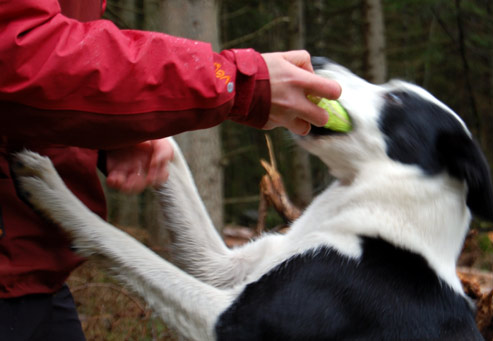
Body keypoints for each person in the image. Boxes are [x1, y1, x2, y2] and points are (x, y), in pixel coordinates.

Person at [0, 0, 342, 339]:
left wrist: (110, 135)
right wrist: (239, 81)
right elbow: (22, 55)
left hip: (33, 268)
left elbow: (56, 74)